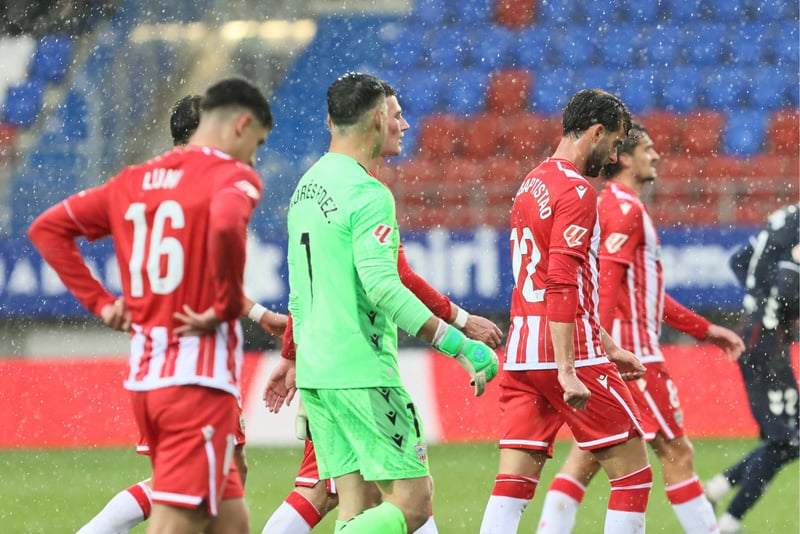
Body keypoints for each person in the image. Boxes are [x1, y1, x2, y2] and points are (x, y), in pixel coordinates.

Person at [28, 77, 273, 534]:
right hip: (196, 383)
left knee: (231, 520)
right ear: (239, 126)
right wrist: (224, 306)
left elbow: (47, 229)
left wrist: (102, 304)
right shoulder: (229, 177)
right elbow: (225, 225)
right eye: (256, 143)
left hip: (151, 378)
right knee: (176, 521)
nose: (255, 158)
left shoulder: (133, 182)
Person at [263, 82, 503, 534]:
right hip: (362, 371)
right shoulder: (367, 194)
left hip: (319, 374)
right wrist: (458, 345)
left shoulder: (306, 188)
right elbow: (385, 288)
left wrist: (294, 354)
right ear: (376, 117)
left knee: (359, 505)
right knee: (413, 506)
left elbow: (298, 291)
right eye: (396, 115)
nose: (404, 124)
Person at [535, 123, 745, 534]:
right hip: (636, 358)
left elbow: (646, 297)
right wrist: (605, 350)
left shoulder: (609, 205)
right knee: (677, 454)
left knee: (586, 459)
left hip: (613, 352)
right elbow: (605, 286)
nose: (657, 156)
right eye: (648, 149)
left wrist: (706, 330)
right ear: (626, 158)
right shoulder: (625, 209)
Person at [479, 88, 655, 534]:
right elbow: (560, 283)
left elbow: (547, 280)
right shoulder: (577, 190)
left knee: (512, 487)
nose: (614, 156)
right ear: (595, 132)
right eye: (614, 142)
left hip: (522, 355)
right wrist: (567, 368)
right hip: (567, 352)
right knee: (633, 476)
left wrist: (609, 345)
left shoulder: (532, 182)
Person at [704, 203, 799, 534]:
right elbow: (788, 290)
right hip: (766, 345)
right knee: (785, 441)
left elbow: (739, 260)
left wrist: (758, 300)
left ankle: (716, 490)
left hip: (760, 337)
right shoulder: (795, 227)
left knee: (790, 437)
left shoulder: (785, 219)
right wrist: (773, 306)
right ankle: (727, 524)